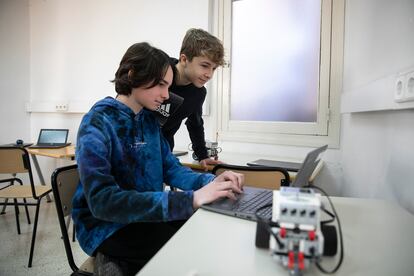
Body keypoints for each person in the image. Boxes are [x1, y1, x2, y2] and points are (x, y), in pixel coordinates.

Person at [72, 42, 244, 276]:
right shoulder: (98, 122)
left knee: (203, 233)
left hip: (147, 216)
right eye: (161, 85)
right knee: (189, 252)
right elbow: (103, 202)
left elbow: (172, 169)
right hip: (106, 227)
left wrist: (212, 183)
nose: (166, 96)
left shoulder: (148, 121)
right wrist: (189, 200)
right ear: (132, 74)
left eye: (169, 86)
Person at [161, 28, 224, 170]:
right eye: (204, 66)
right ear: (184, 59)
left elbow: (195, 123)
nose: (209, 74)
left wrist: (202, 155)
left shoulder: (198, 93)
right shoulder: (159, 71)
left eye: (213, 69)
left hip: (162, 153)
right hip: (131, 147)